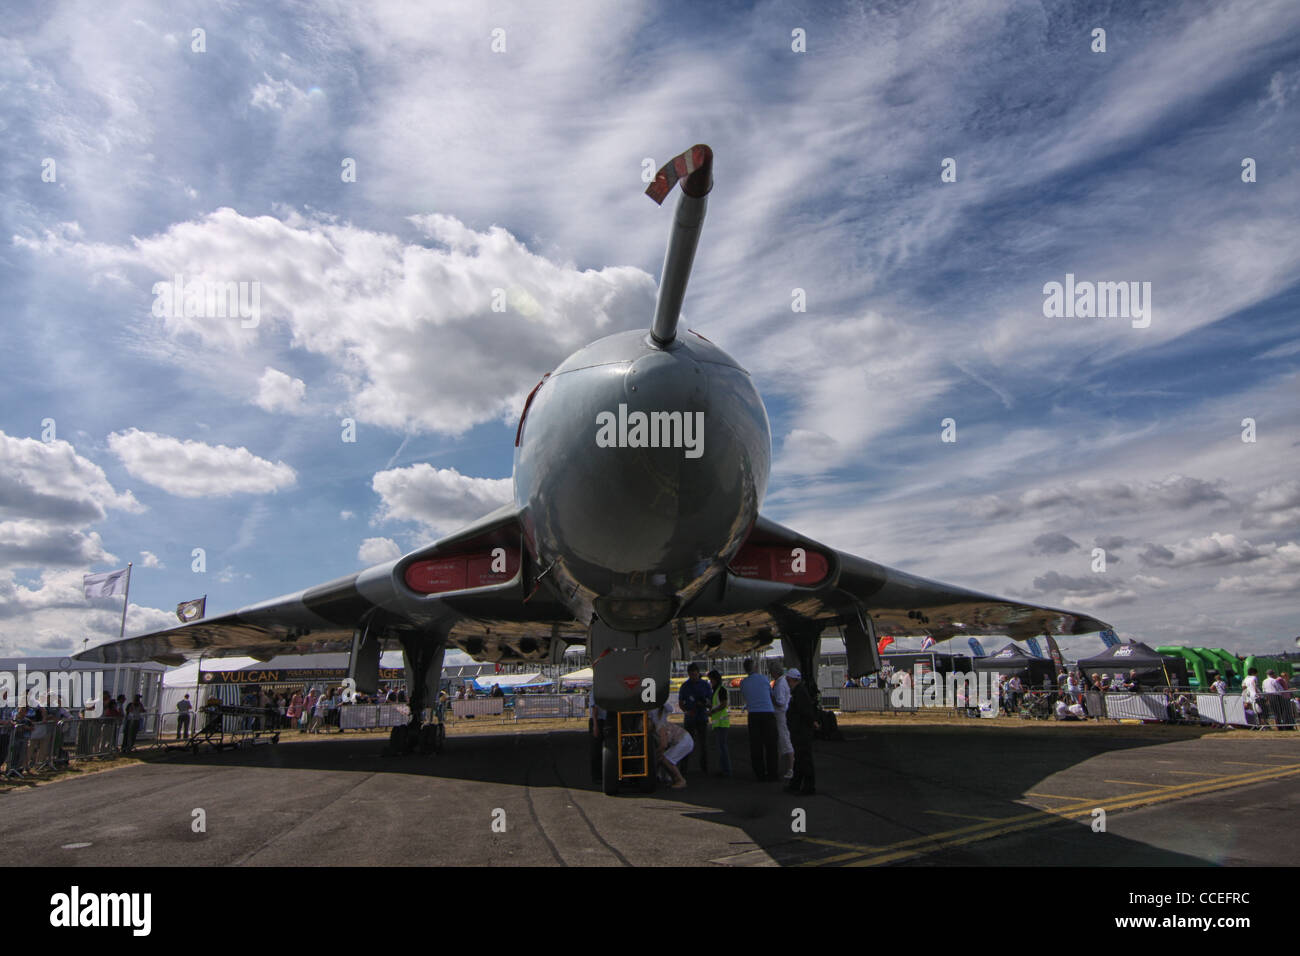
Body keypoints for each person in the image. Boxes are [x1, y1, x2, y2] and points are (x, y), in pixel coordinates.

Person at [739, 658, 778, 781]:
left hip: (754, 714)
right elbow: (771, 695)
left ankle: (759, 773)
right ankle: (772, 772)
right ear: (755, 667)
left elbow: (745, 696)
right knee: (771, 745)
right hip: (767, 713)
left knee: (756, 745)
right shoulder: (764, 679)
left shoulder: (743, 683)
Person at [784, 668, 819, 795]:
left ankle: (808, 787)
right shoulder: (799, 692)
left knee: (804, 759)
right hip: (799, 730)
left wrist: (811, 722)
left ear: (791, 679)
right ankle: (796, 783)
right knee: (800, 759)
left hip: (801, 731)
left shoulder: (799, 693)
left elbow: (805, 712)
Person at [677, 663, 712, 774]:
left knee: (703, 744)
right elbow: (680, 702)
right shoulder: (685, 686)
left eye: (695, 674)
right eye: (691, 674)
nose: (693, 676)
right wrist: (686, 711)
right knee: (686, 743)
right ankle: (684, 768)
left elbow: (710, 701)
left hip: (701, 717)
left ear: (698, 673)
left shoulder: (705, 685)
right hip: (690, 718)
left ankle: (704, 767)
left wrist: (705, 703)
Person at [652, 705, 691, 789]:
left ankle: (681, 780)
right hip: (681, 740)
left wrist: (655, 754)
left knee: (667, 759)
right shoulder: (658, 724)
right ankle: (672, 779)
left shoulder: (659, 726)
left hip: (684, 740)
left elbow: (664, 745)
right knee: (664, 758)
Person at [769, 661, 795, 780]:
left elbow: (779, 702)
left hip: (780, 716)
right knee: (782, 742)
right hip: (782, 715)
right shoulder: (782, 682)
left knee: (785, 741)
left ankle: (791, 768)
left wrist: (770, 697)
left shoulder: (779, 684)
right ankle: (783, 767)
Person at [707, 669, 731, 777]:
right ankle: (725, 769)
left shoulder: (720, 690)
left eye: (711, 680)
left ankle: (726, 770)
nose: (710, 682)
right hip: (719, 722)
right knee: (721, 747)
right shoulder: (717, 690)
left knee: (722, 747)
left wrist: (712, 711)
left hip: (721, 723)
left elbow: (723, 704)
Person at [588, 686, 606, 782]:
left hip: (606, 719)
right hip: (597, 720)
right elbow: (594, 708)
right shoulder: (595, 690)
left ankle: (604, 773)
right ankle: (596, 776)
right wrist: (595, 725)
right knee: (596, 749)